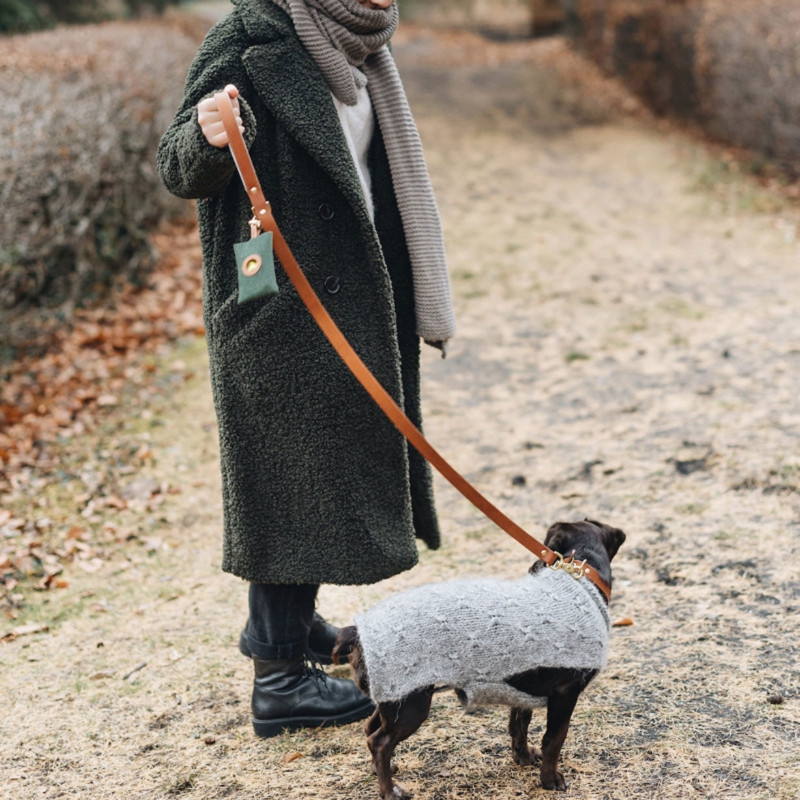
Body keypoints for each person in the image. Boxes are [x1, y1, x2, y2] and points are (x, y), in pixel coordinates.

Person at [157, 0, 456, 739]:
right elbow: (176, 167)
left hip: (358, 291)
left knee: (324, 469)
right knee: (293, 473)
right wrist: (207, 132)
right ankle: (281, 680)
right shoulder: (249, 41)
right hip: (280, 300)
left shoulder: (365, 49)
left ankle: (288, 631)